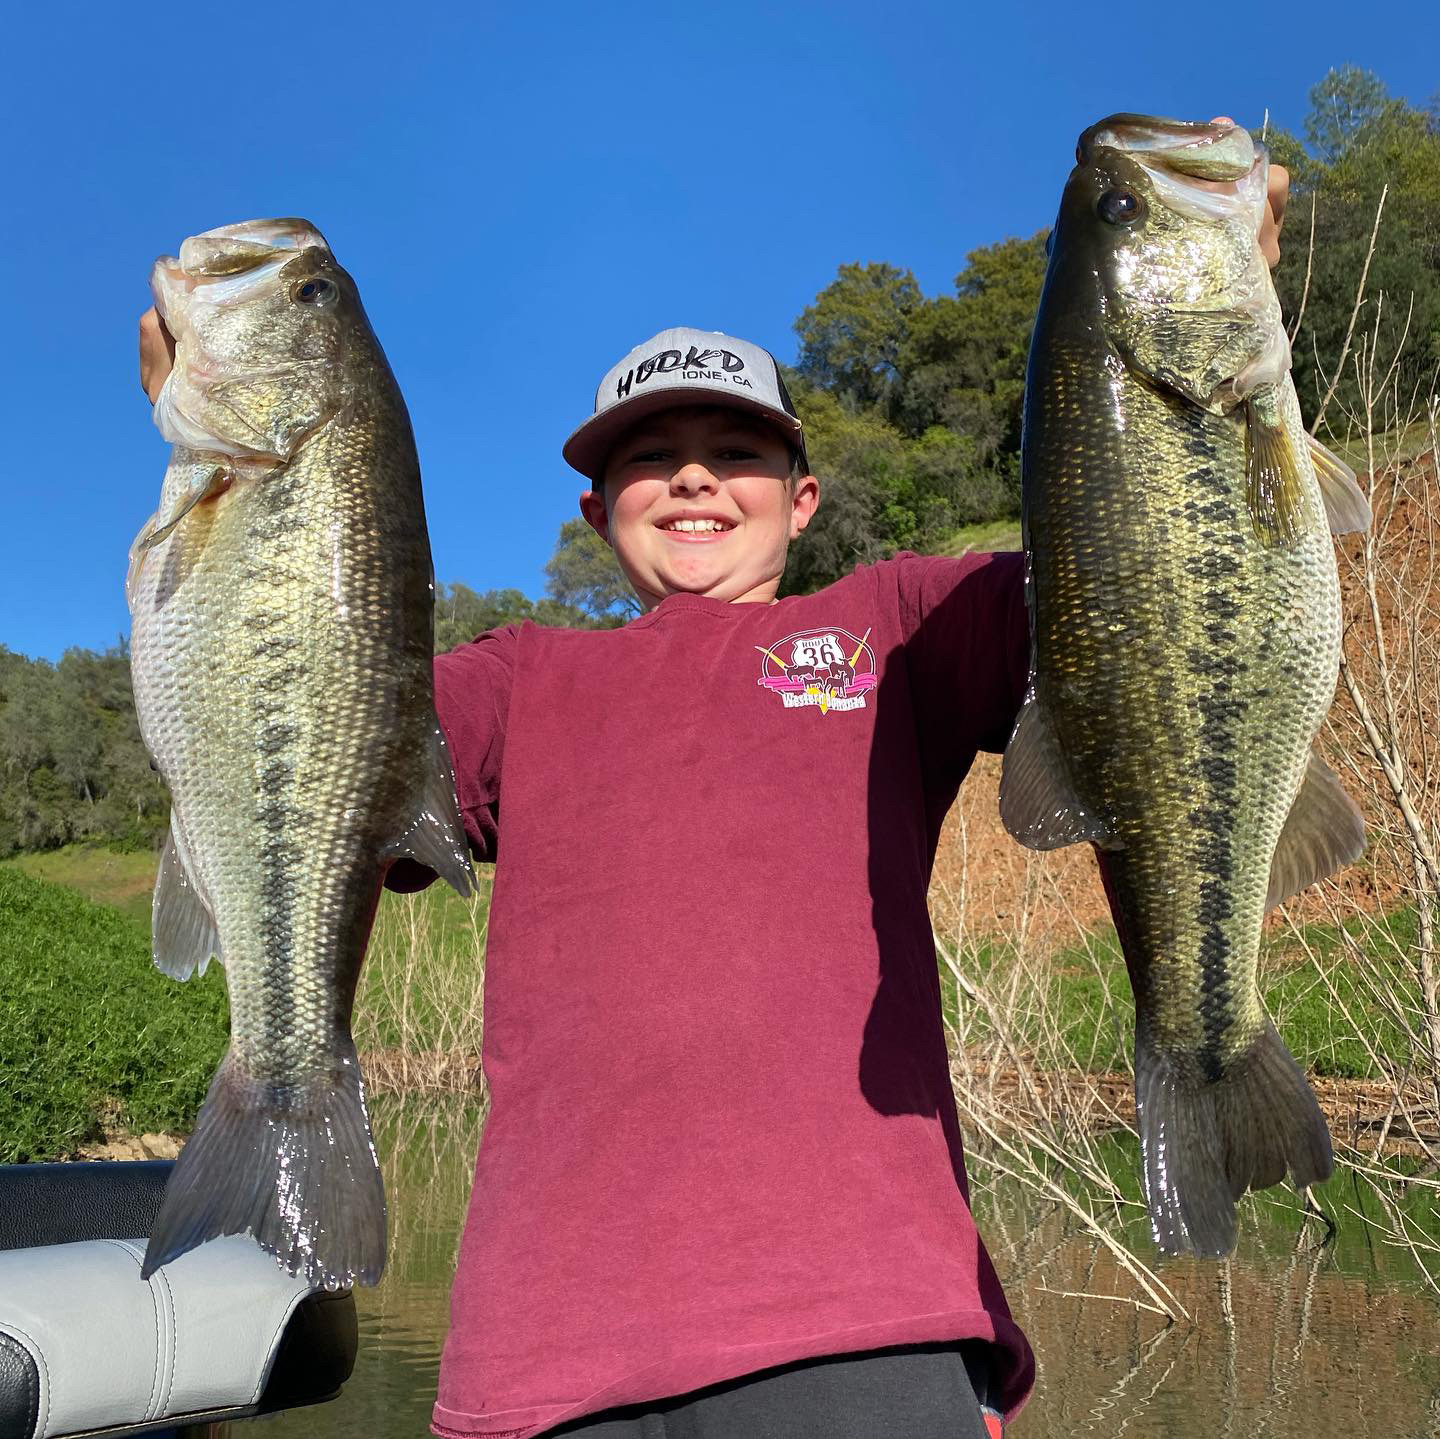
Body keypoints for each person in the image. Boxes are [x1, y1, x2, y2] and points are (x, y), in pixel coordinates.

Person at [137, 152, 1289, 1439]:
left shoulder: (898, 623)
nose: (694, 478)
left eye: (736, 451)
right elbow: (309, 729)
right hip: (542, 1352)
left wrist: (1194, 315)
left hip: (870, 1322)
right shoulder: (519, 678)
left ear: (803, 500)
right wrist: (256, 482)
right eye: (652, 457)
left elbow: (1137, 578)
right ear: (597, 510)